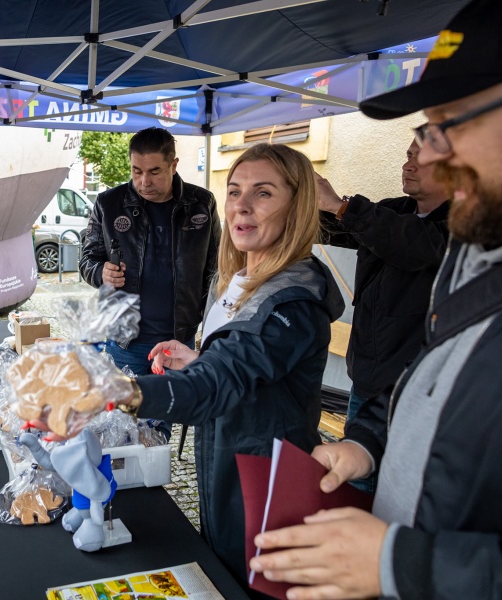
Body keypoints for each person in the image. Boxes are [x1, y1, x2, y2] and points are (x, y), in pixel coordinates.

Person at [248, 1, 502, 598]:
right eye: (425, 132)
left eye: (451, 125)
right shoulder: (477, 249)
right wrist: (369, 443)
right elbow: (433, 382)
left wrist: (401, 563)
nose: (429, 155)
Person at [73, 143, 342, 588]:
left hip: (264, 475)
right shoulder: (238, 278)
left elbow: (216, 384)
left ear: (297, 206)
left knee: (253, 580)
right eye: (235, 191)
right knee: (222, 566)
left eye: (263, 193)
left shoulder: (292, 302)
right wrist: (199, 357)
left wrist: (112, 390)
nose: (242, 205)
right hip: (226, 459)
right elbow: (240, 366)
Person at [317, 140, 449, 492]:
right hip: (366, 379)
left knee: (400, 491)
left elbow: (414, 244)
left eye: (421, 159)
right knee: (357, 486)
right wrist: (302, 201)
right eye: (408, 156)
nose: (408, 166)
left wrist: (342, 206)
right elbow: (343, 230)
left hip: (417, 391)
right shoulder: (394, 210)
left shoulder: (464, 225)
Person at [80, 127, 221, 376]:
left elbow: (217, 267)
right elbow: (87, 260)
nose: (144, 182)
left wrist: (207, 319)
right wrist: (101, 272)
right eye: (137, 171)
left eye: (154, 171)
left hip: (179, 341)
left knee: (173, 400)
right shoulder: (108, 204)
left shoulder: (201, 203)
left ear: (173, 165)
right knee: (125, 402)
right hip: (124, 340)